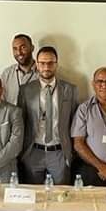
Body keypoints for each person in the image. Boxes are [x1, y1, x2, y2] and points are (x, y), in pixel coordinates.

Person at [18, 46, 79, 184]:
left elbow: (75, 123)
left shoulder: (70, 90)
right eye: (42, 63)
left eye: (51, 63)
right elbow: (21, 122)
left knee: (61, 194)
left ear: (56, 64)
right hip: (33, 151)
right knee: (33, 194)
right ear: (37, 64)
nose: (46, 67)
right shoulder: (25, 90)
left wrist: (71, 154)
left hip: (59, 152)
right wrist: (23, 154)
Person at [0, 33, 39, 105]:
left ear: (32, 48)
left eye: (23, 47)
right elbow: (1, 102)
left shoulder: (43, 72)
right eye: (15, 49)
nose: (19, 52)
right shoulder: (6, 74)